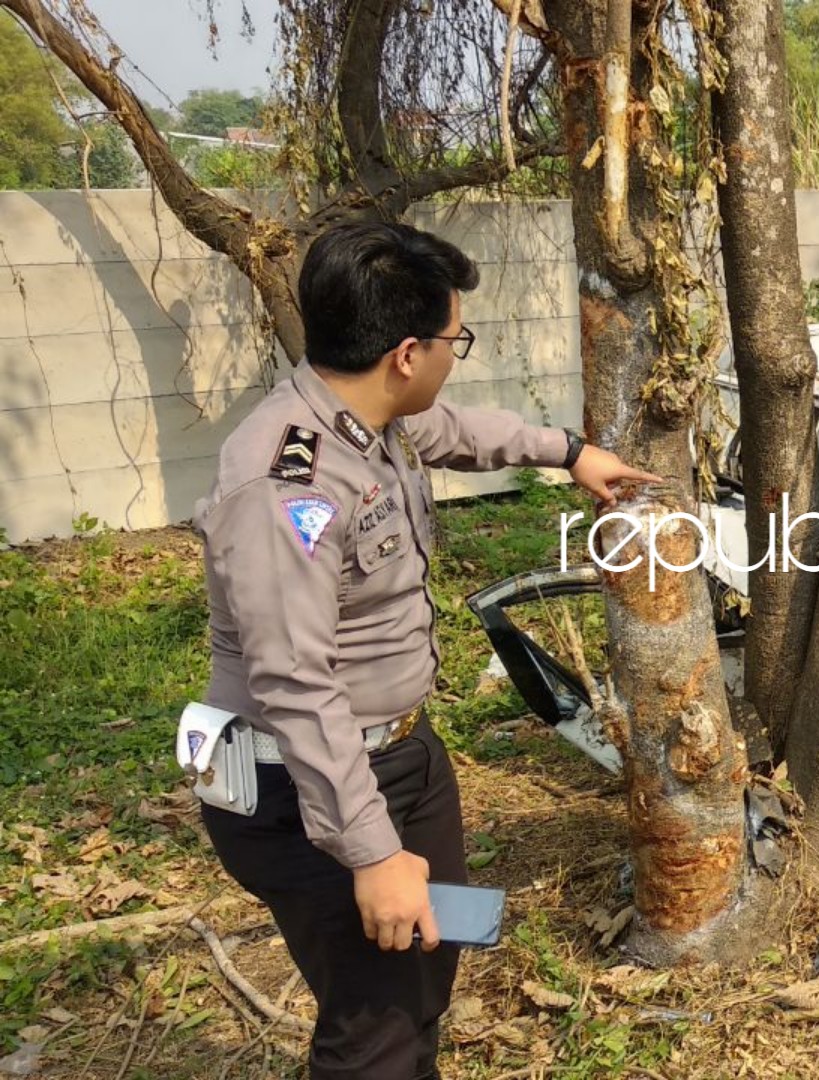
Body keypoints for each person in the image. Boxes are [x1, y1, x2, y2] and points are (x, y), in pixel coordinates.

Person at [190, 220, 657, 1080]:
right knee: (375, 1023)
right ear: (407, 353)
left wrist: (572, 452)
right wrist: (369, 854)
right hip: (299, 786)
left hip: (401, 751)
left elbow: (460, 432)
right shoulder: (284, 485)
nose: (455, 357)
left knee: (430, 964)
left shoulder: (374, 418)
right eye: (455, 339)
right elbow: (294, 685)